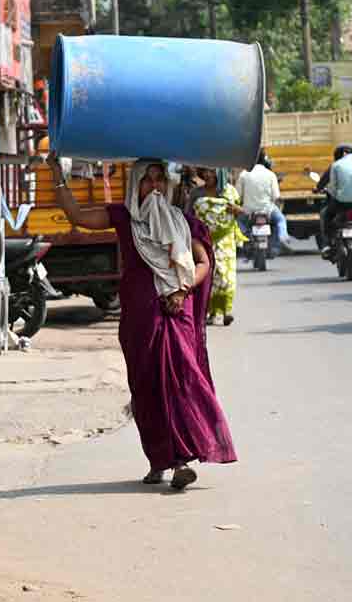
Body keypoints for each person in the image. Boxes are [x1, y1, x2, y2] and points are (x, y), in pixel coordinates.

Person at [48, 153, 237, 490]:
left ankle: (181, 460)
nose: (154, 186)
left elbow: (203, 262)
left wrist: (182, 289)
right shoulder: (123, 217)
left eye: (159, 178)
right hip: (140, 318)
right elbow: (76, 215)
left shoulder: (183, 221)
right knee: (146, 388)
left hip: (176, 314)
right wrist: (56, 175)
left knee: (181, 383)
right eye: (147, 179)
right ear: (135, 184)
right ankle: (158, 459)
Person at [192, 169, 246, 326]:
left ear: (219, 173)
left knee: (226, 277)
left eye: (212, 172)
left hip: (225, 240)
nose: (208, 175)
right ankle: (210, 312)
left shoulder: (230, 192)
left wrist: (236, 210)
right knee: (208, 276)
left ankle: (227, 310)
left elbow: (242, 211)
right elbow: (189, 215)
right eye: (206, 171)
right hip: (204, 241)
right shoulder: (196, 193)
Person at [236, 151, 293, 253]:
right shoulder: (270, 174)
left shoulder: (244, 174)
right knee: (281, 219)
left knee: (237, 221)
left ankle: (244, 236)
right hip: (268, 210)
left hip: (248, 211)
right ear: (264, 160)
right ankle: (283, 236)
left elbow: (237, 195)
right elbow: (276, 196)